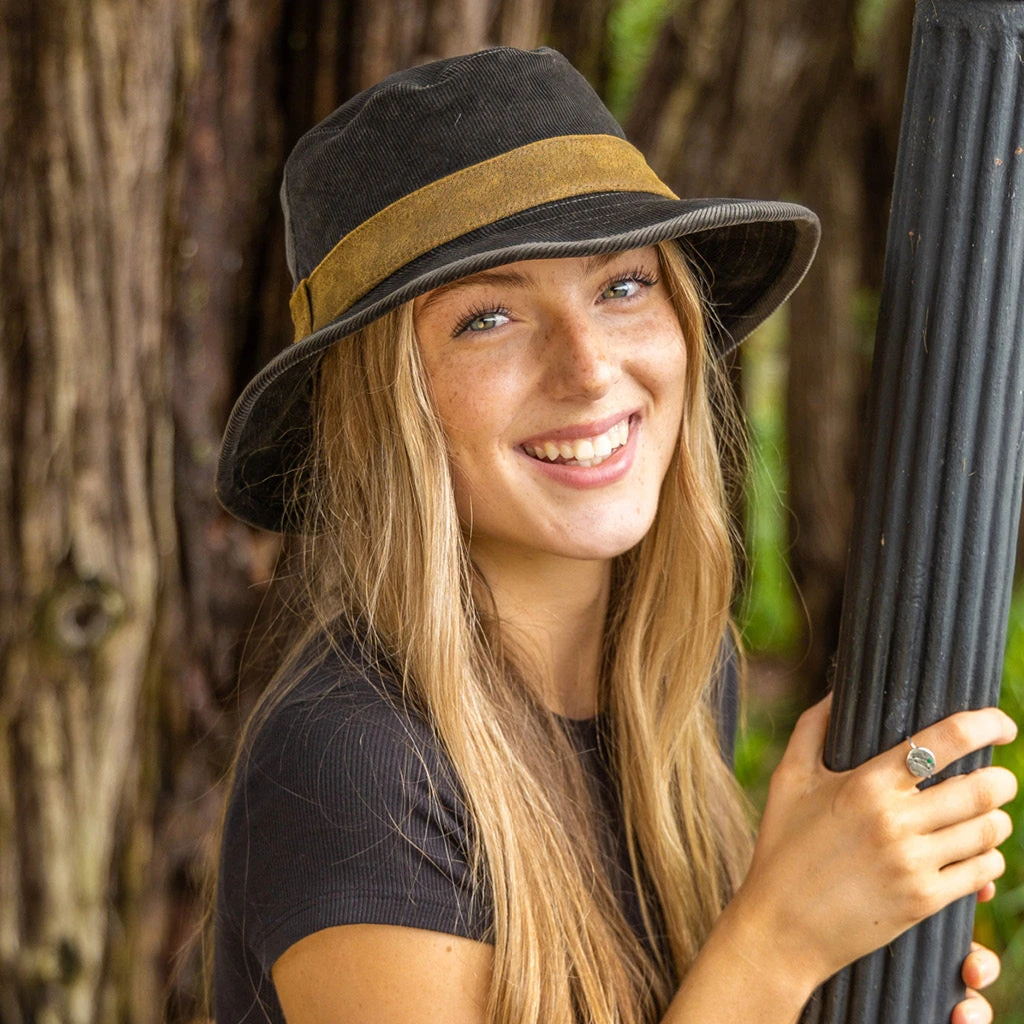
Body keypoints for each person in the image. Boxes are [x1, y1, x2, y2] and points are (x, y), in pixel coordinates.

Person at [212, 46, 1017, 1024]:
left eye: (622, 286)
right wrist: (783, 938)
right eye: (490, 316)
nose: (590, 368)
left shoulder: (671, 670)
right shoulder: (355, 766)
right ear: (382, 410)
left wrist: (843, 976)